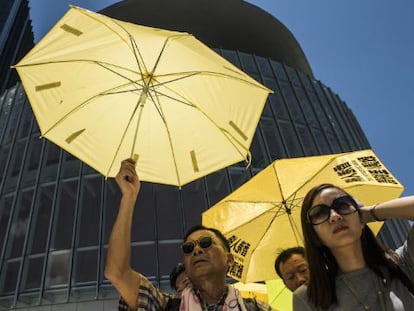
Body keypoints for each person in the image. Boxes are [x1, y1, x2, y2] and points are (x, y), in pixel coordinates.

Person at [105, 158, 272, 310]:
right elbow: (117, 273)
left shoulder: (256, 308)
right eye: (188, 247)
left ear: (229, 259)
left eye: (206, 242)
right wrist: (129, 197)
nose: (197, 250)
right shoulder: (166, 307)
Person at [293, 183, 414, 310]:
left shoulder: (402, 263)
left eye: (342, 205)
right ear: (314, 234)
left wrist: (369, 213)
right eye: (319, 213)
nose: (334, 216)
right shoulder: (308, 297)